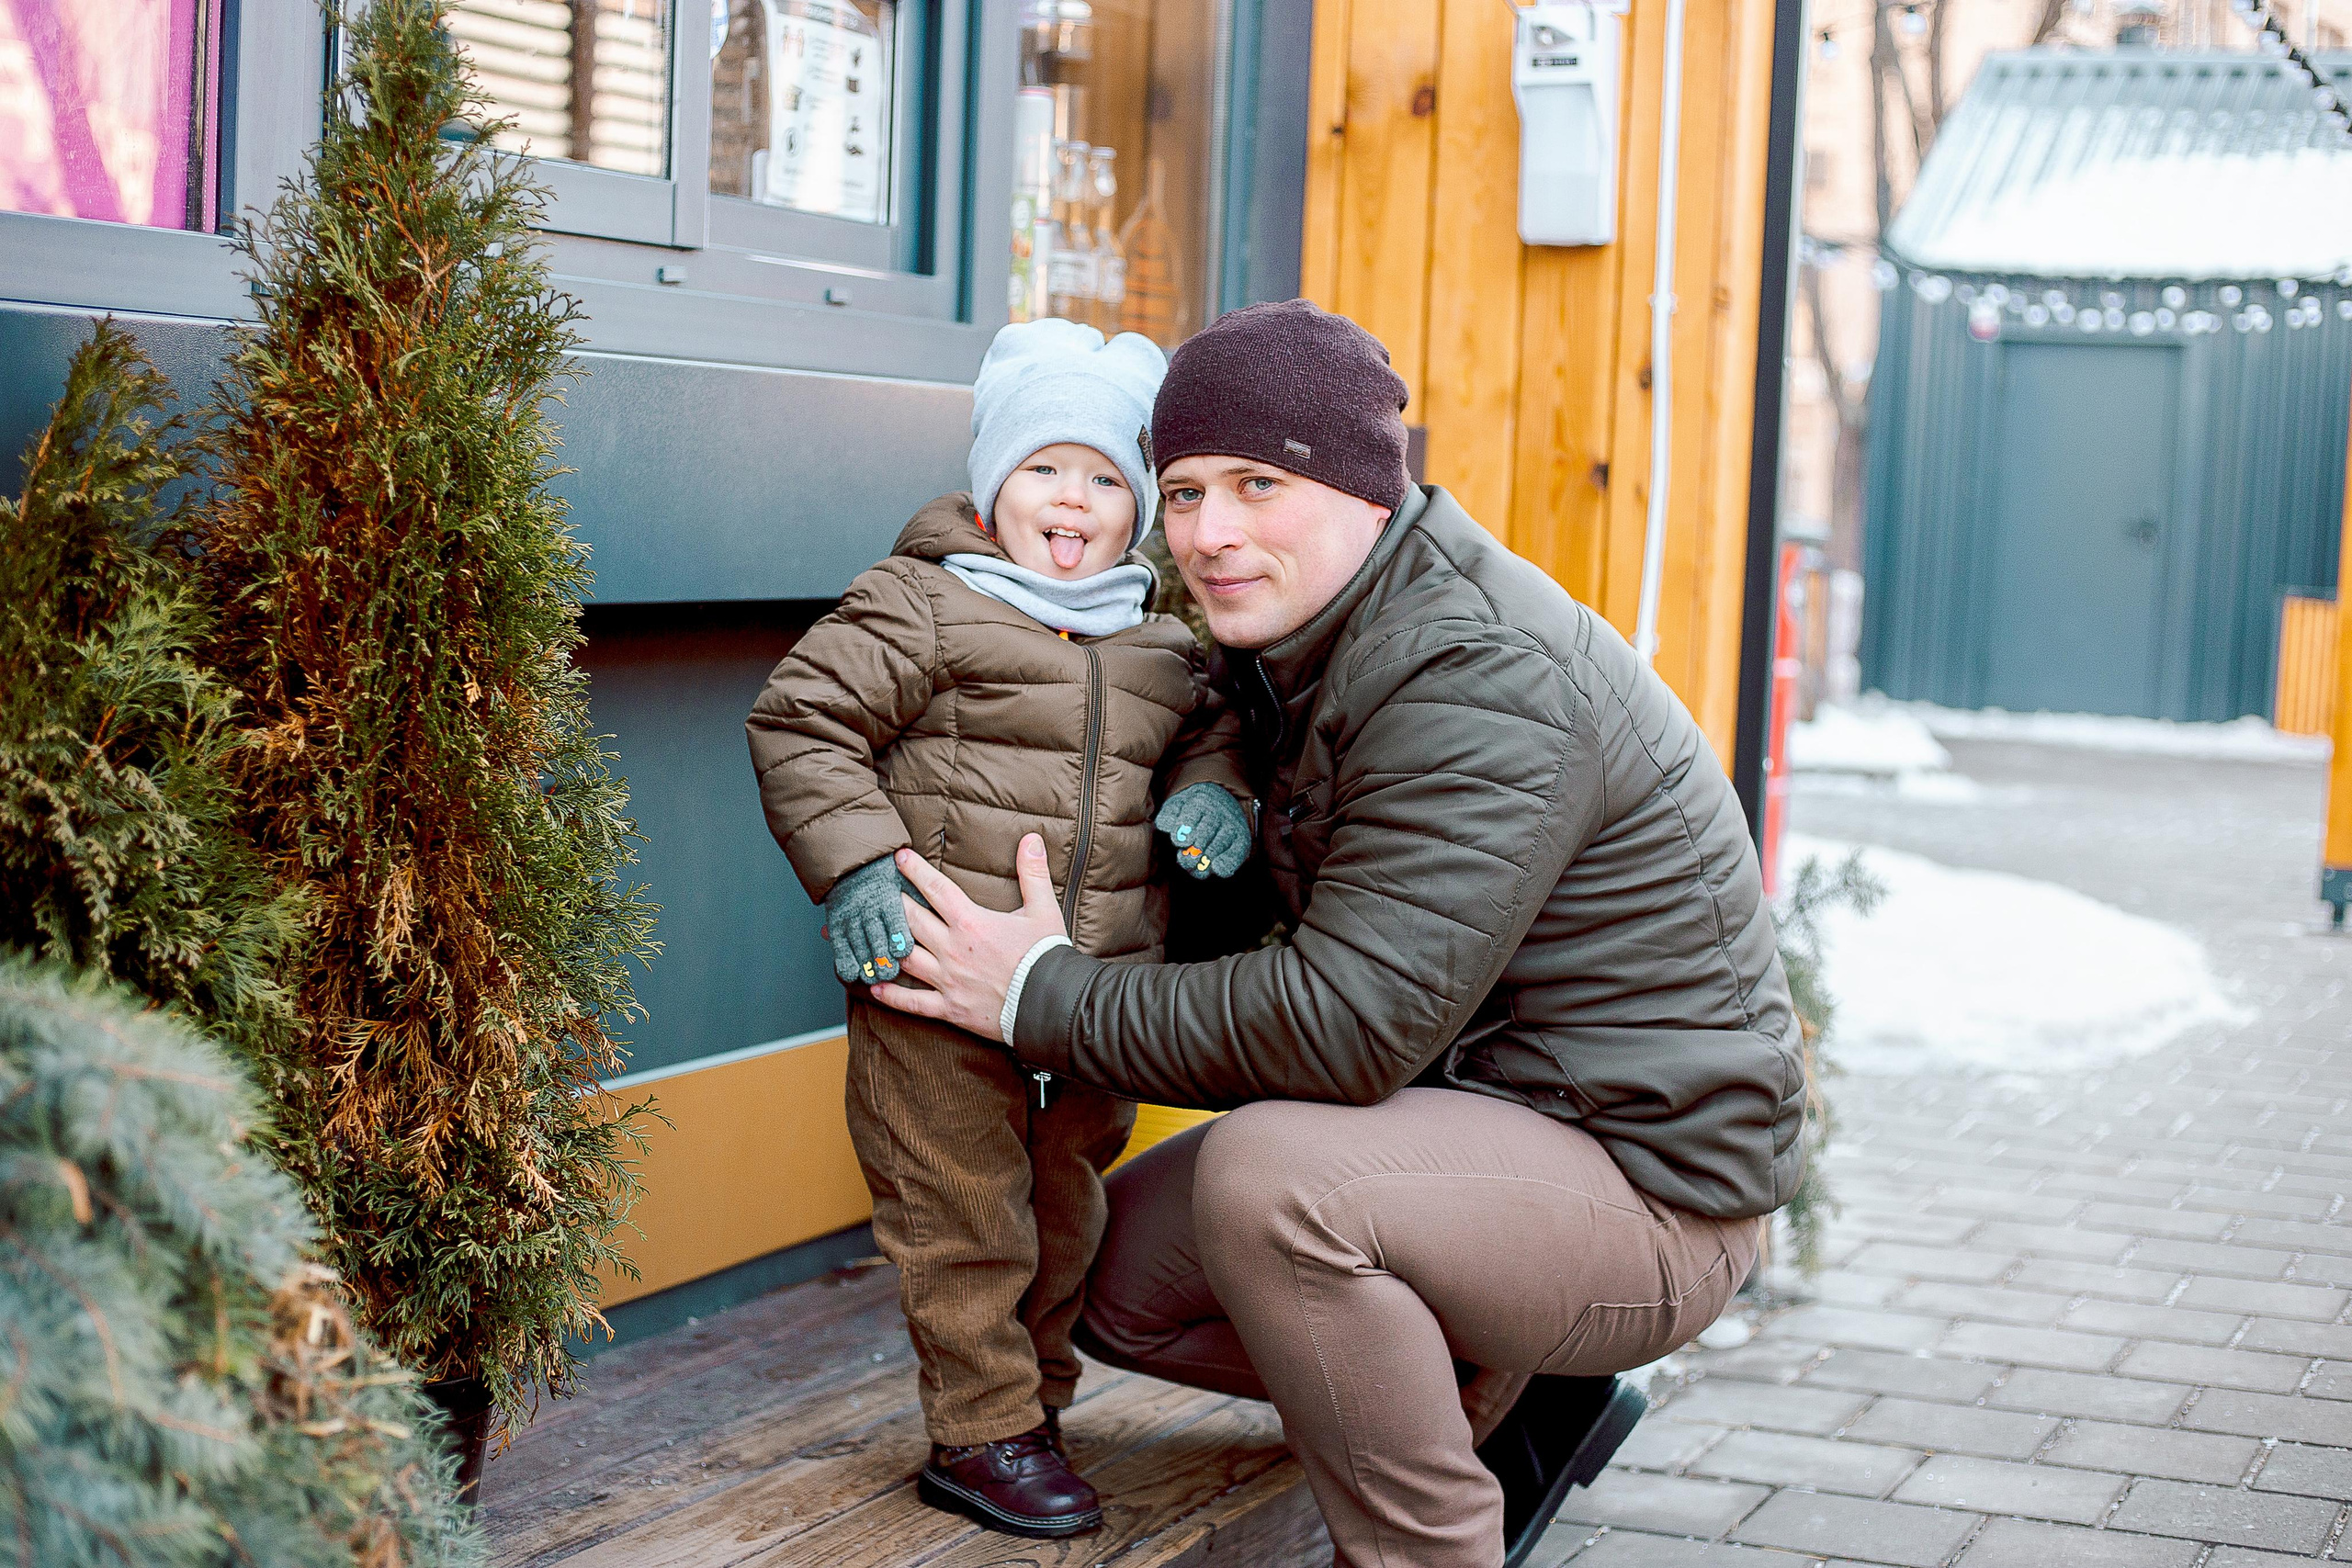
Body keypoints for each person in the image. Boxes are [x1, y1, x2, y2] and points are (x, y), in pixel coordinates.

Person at [868, 299, 1804, 1568]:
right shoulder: (1298, 644)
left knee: (1273, 1187)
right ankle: (1505, 1389)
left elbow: (1343, 1026)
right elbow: (1250, 940)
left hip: (1648, 1187)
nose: (1211, 533)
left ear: (1368, 487)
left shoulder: (1478, 674)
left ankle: (1431, 1541)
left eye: (1259, 485)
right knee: (1110, 1278)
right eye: (1185, 492)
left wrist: (1037, 992)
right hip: (1485, 1120)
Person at [745, 319, 1255, 1540]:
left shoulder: (1163, 644)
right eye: (1043, 468)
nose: (1072, 499)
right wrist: (860, 866)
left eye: (1104, 477)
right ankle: (981, 1435)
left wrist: (1212, 798)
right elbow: (802, 719)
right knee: (963, 1216)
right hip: (933, 982)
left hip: (1088, 999)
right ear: (992, 487)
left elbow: (1212, 741)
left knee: (1062, 1213)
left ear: (1137, 509)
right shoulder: (924, 602)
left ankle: (1037, 1414)